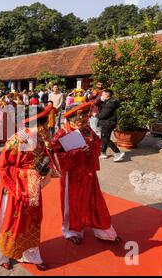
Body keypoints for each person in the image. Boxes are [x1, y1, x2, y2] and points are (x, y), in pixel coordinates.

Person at [0, 105, 57, 271]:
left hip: (33, 186)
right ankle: (2, 255)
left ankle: (31, 255)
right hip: (16, 189)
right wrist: (29, 175)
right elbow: (3, 166)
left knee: (32, 221)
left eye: (45, 124)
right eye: (42, 123)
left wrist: (47, 158)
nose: (46, 128)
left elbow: (45, 159)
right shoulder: (17, 140)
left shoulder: (41, 138)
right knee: (12, 223)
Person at [52, 102, 121, 245]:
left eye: (84, 117)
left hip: (88, 173)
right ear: (70, 119)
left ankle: (104, 230)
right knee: (73, 203)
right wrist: (78, 153)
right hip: (72, 176)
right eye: (79, 119)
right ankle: (72, 231)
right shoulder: (62, 133)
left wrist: (90, 148)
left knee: (95, 201)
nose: (83, 122)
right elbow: (56, 158)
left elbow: (97, 143)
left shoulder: (87, 130)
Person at [96, 90, 125, 162]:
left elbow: (104, 114)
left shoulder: (110, 103)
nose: (101, 96)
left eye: (102, 95)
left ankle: (118, 152)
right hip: (107, 122)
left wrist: (96, 115)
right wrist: (100, 100)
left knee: (105, 138)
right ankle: (103, 152)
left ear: (107, 95)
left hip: (108, 123)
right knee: (104, 137)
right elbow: (97, 104)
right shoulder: (107, 101)